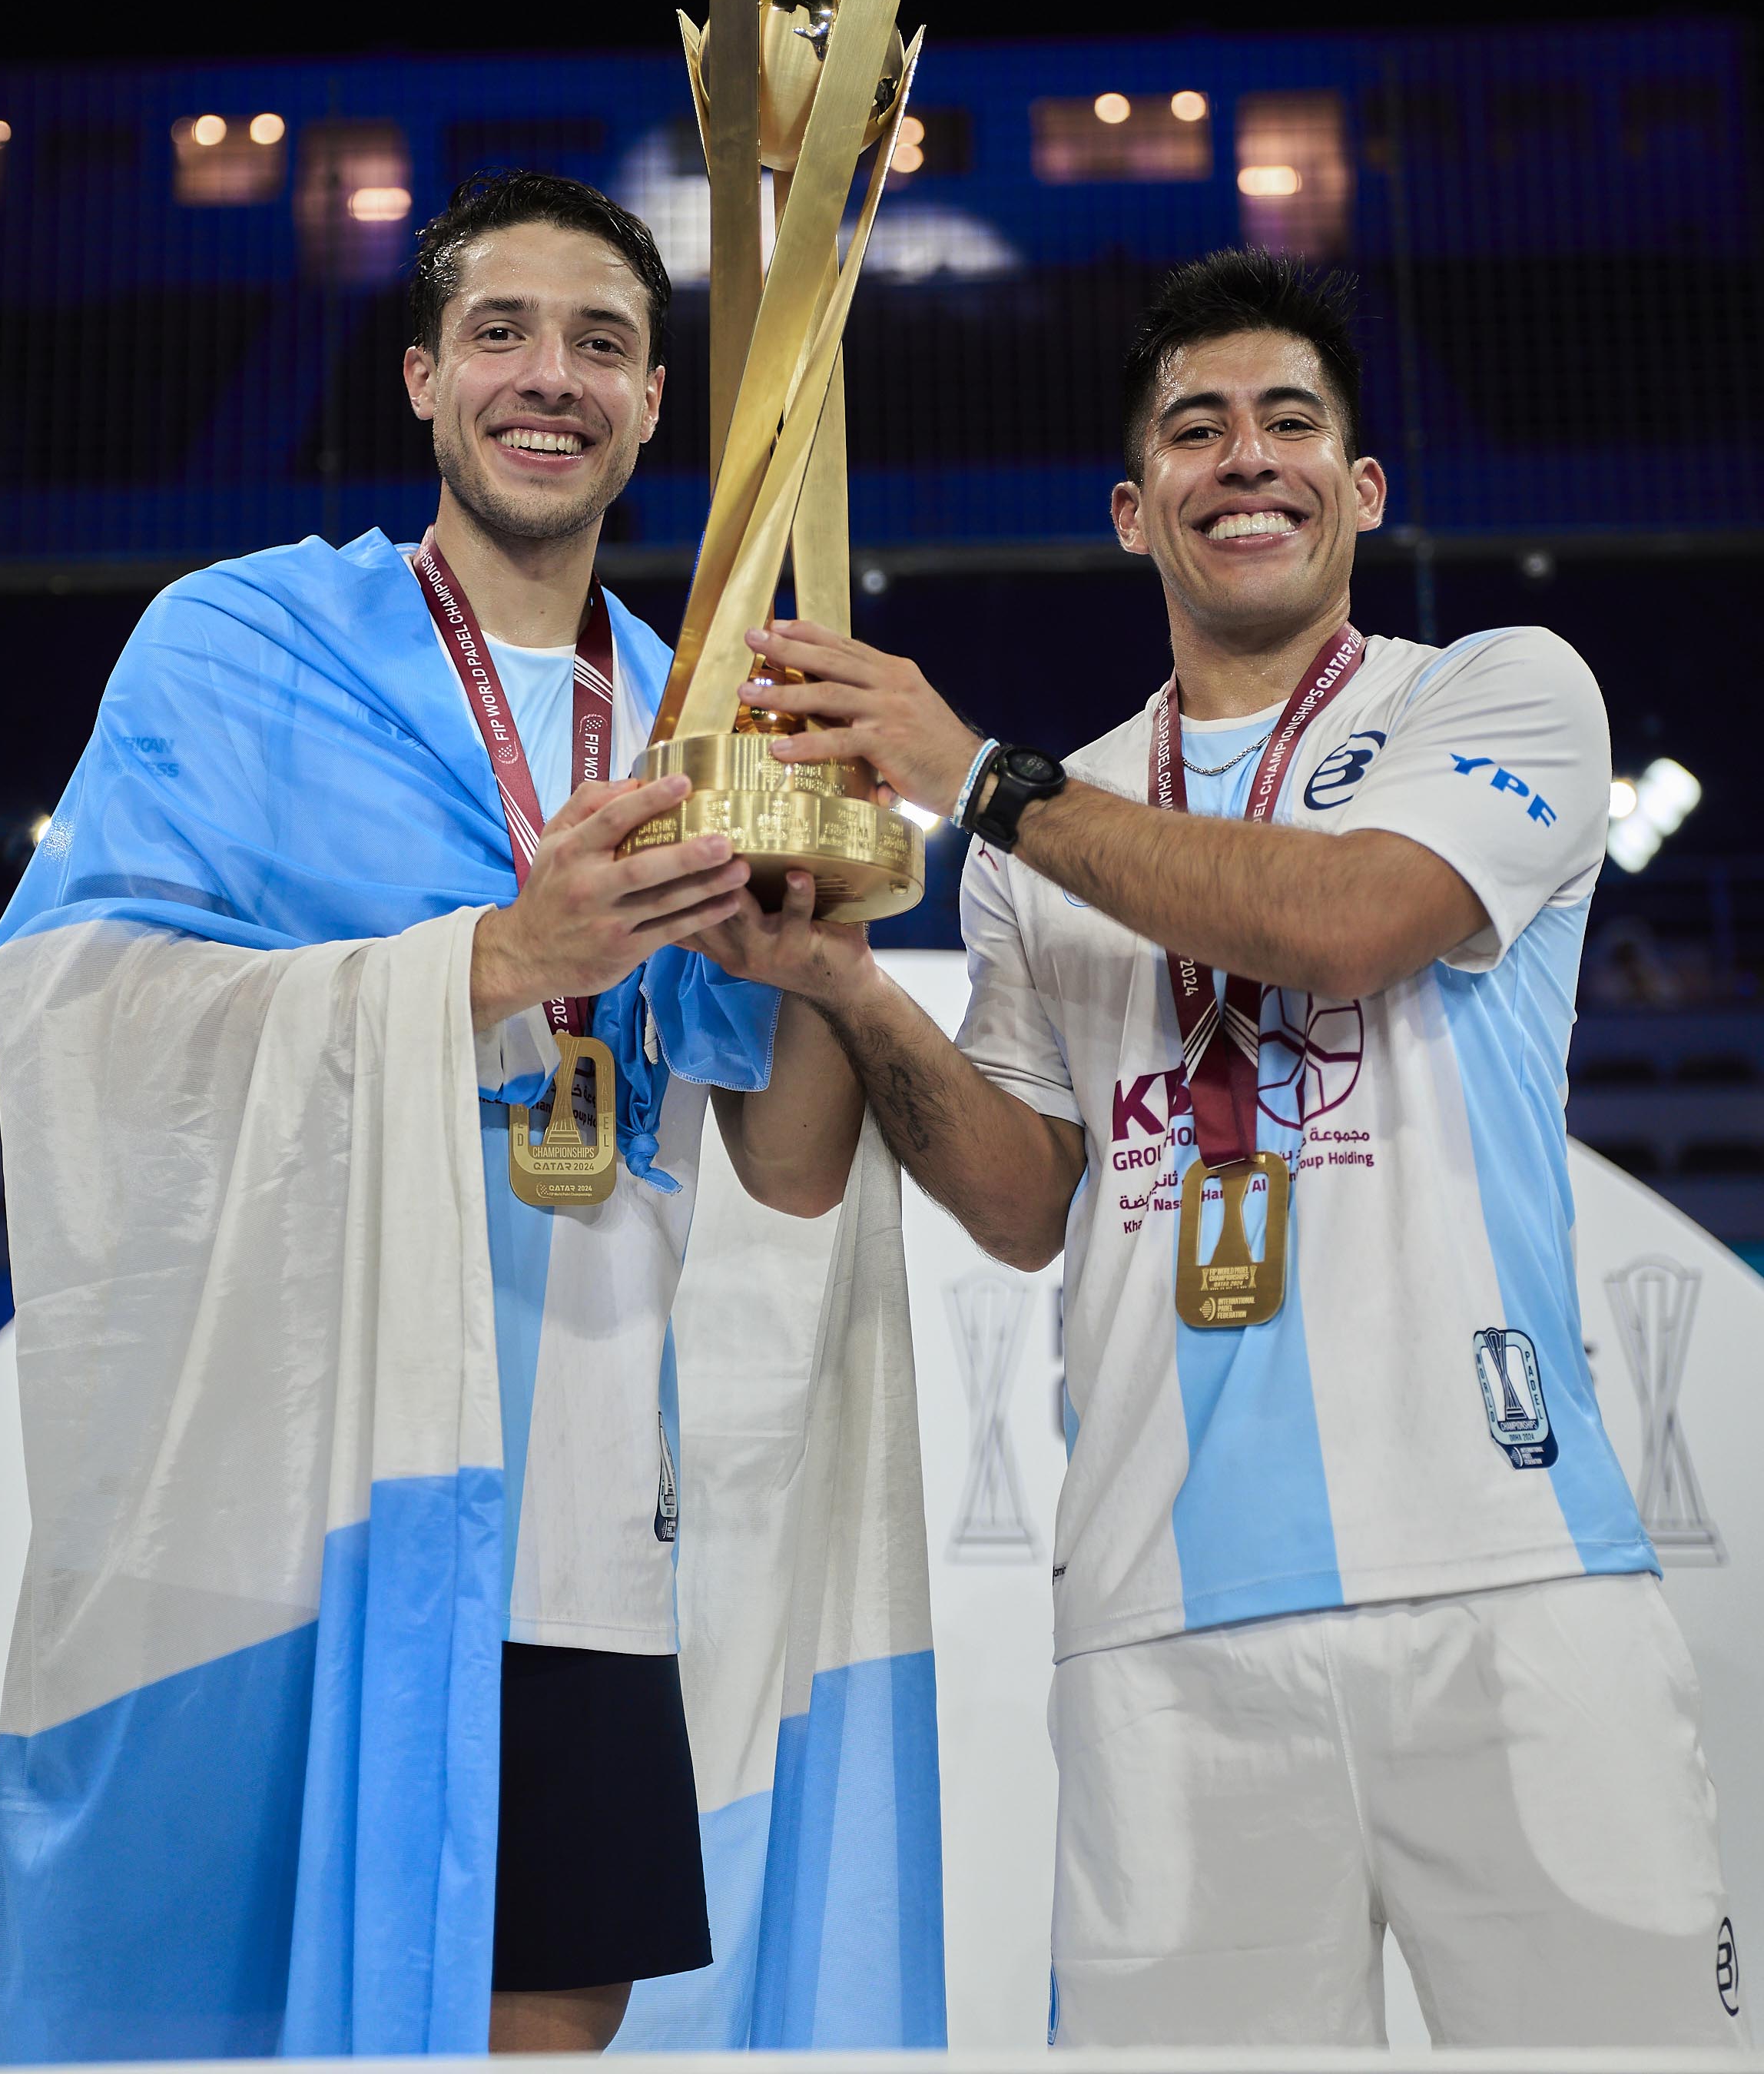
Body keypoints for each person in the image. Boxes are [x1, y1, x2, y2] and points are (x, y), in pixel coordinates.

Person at [698, 249, 1745, 2046]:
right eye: (1195, 430)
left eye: (1289, 423)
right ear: (1135, 510)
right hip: (1157, 1616)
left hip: (1510, 1579)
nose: (1245, 456)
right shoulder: (1057, 827)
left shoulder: (1496, 695)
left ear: (1363, 488)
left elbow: (1348, 923)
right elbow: (1024, 1199)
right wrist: (850, 989)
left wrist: (984, 781)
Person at [0, 172, 941, 2064]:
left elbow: (786, 1163)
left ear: (654, 402)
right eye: (501, 332)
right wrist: (499, 958)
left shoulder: (691, 720)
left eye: (602, 344)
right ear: (424, 378)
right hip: (292, 1508)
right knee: (235, 2017)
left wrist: (828, 950)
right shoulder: (242, 648)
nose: (549, 376)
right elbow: (83, 1017)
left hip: (575, 1504)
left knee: (547, 2018)